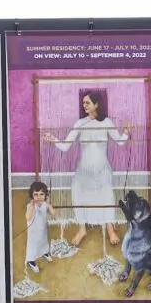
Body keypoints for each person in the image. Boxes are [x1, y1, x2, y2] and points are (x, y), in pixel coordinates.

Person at [53, 89, 127, 254]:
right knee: (78, 192)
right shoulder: (80, 123)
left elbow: (120, 142)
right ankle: (82, 228)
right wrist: (54, 140)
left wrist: (127, 133)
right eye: (83, 102)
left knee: (106, 194)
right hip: (84, 172)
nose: (84, 105)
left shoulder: (107, 122)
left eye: (87, 102)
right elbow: (65, 146)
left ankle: (110, 228)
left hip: (102, 170)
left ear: (96, 104)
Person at [23, 178, 54, 275]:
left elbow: (53, 213)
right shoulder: (30, 206)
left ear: (45, 195)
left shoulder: (45, 204)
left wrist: (49, 204)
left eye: (41, 194)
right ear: (32, 196)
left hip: (42, 231)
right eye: (35, 195)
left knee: (43, 242)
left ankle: (44, 252)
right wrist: (32, 206)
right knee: (33, 247)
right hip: (33, 234)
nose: (39, 197)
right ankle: (31, 261)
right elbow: (28, 217)